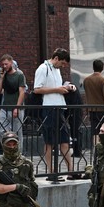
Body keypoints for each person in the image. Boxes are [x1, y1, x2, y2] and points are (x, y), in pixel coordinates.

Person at [34, 48, 73, 182]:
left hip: (59, 106)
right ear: (55, 58)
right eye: (62, 63)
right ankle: (51, 171)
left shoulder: (56, 69)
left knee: (64, 139)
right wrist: (57, 89)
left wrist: (65, 87)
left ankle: (71, 171)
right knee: (49, 141)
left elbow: (56, 87)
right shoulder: (43, 68)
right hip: (49, 107)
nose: (62, 66)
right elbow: (37, 89)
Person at [0, 54, 26, 140]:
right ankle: (7, 149)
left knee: (17, 134)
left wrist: (17, 107)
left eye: (6, 64)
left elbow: (22, 92)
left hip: (16, 107)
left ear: (11, 63)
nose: (4, 66)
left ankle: (18, 152)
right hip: (5, 108)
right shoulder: (4, 75)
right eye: (3, 64)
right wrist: (2, 78)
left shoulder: (19, 75)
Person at [84, 59, 104, 141]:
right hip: (103, 110)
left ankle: (96, 150)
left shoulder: (86, 80)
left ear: (93, 67)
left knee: (95, 131)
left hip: (92, 109)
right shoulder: (103, 80)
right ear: (103, 68)